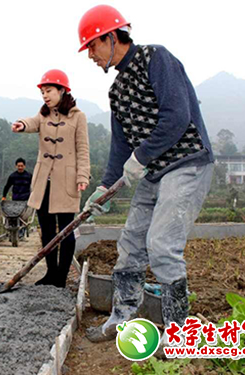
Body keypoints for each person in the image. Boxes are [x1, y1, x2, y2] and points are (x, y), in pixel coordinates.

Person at [78, 5, 215, 342]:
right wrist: (105, 187)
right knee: (131, 244)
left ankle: (177, 332)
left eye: (92, 46)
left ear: (111, 37)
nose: (91, 56)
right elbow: (120, 147)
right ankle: (121, 317)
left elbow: (177, 116)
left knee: (162, 245)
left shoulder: (156, 58)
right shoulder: (117, 91)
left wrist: (142, 156)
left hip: (186, 162)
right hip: (153, 171)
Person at [12, 69, 90, 288]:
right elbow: (32, 122)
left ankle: (61, 278)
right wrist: (21, 124)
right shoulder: (43, 115)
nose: (45, 96)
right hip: (43, 181)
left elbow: (83, 149)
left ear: (62, 91)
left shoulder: (78, 116)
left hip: (66, 180)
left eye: (49, 91)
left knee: (65, 230)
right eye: (43, 92)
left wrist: (82, 175)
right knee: (46, 228)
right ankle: (51, 273)